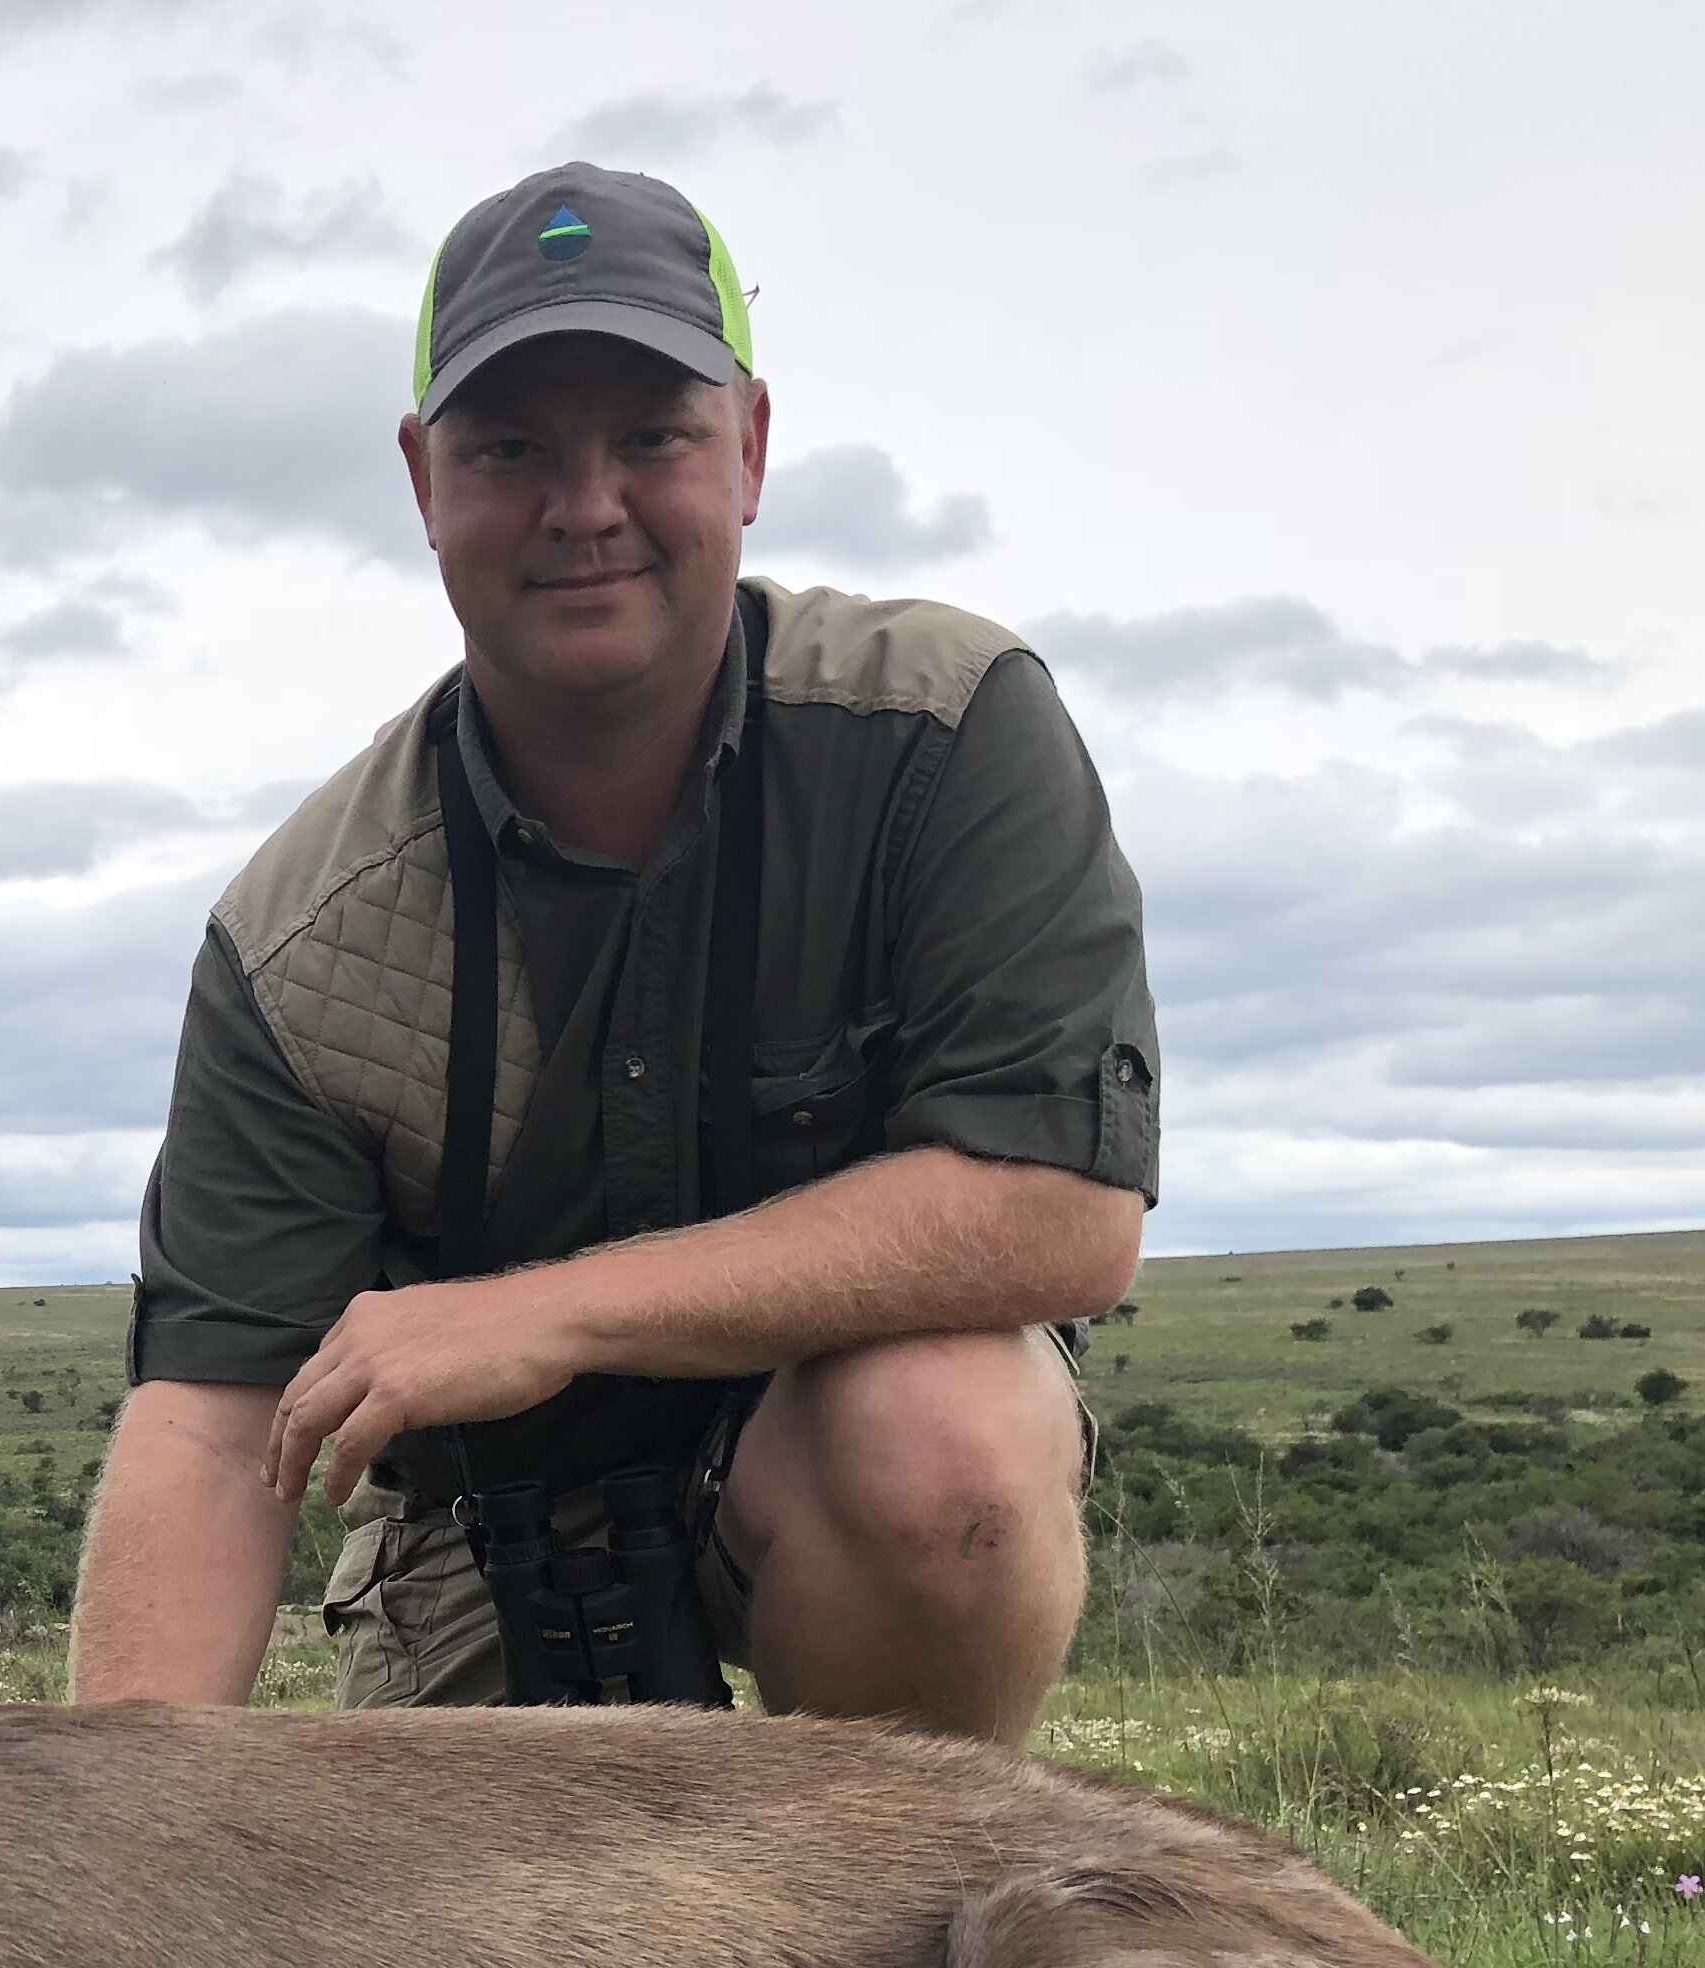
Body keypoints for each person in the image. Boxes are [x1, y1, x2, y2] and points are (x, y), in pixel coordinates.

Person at [69, 165, 1157, 1742]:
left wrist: (541, 1314)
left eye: (651, 437)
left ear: (753, 449)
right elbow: (215, 1416)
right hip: (480, 1549)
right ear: (422, 481)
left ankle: (880, 1929)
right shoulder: (297, 934)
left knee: (945, 1437)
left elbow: (1060, 1213)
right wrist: (108, 1860)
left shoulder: (945, 727)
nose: (586, 508)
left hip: (841, 1493)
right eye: (510, 449)